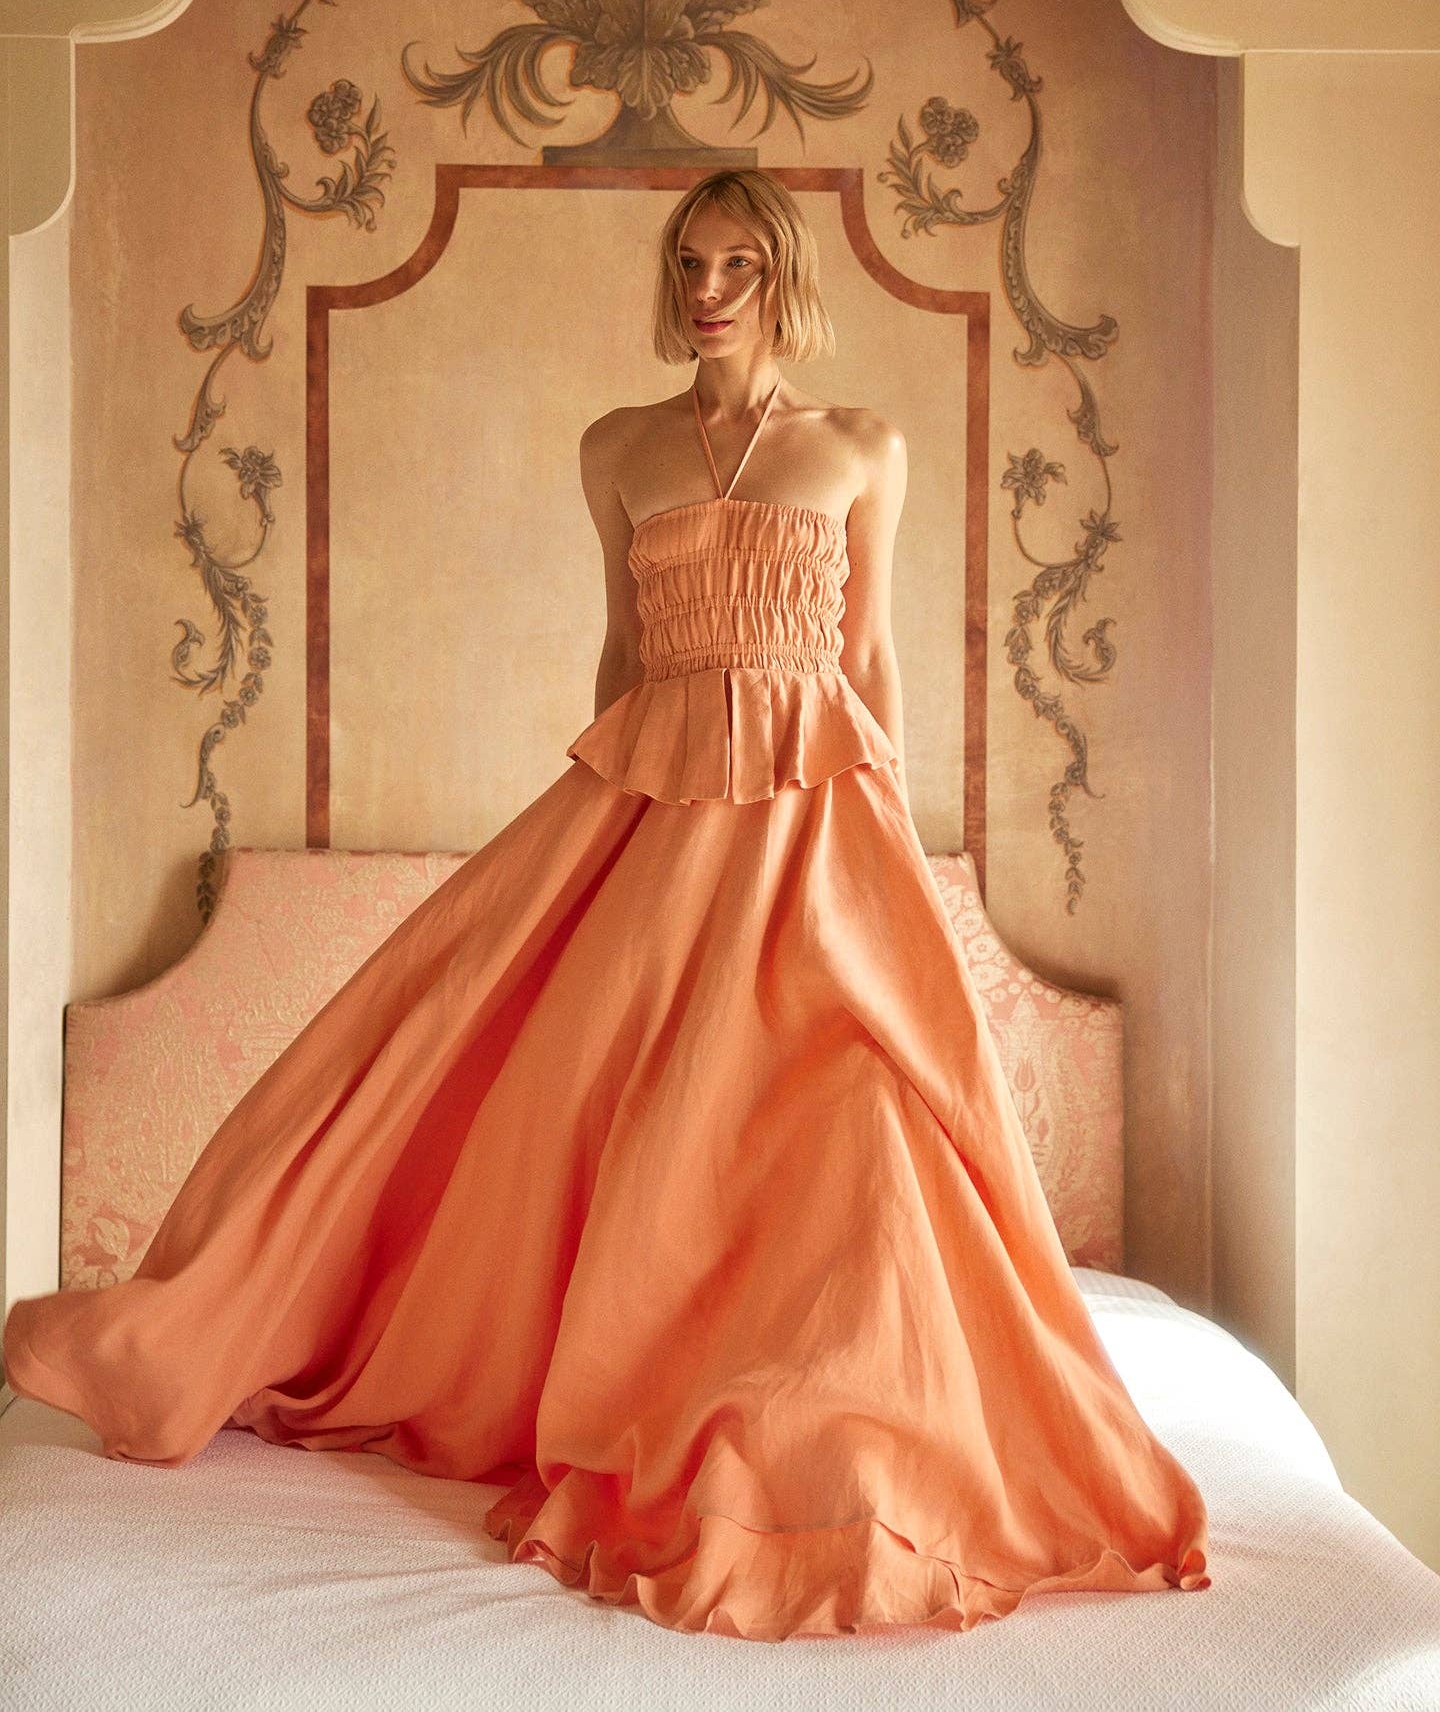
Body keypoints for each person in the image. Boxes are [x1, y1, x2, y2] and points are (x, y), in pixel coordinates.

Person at [2, 168, 1210, 1640]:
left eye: (738, 266)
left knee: (862, 1093)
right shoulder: (618, 448)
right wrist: (600, 829)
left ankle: (840, 1399)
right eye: (690, 263)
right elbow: (621, 655)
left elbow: (873, 657)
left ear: (784, 279)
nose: (707, 289)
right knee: (535, 1060)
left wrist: (889, 817)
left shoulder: (861, 445)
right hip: (656, 798)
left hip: (817, 809)